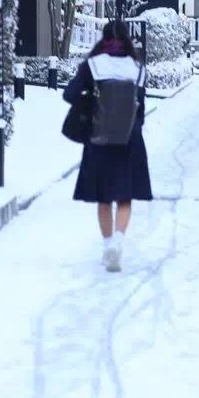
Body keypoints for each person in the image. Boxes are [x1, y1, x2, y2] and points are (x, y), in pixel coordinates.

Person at [63, 20, 153, 272]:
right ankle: (119, 241)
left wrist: (91, 98)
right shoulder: (137, 69)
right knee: (125, 196)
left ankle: (106, 247)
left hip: (99, 137)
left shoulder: (92, 66)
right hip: (130, 138)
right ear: (128, 42)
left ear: (102, 40)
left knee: (104, 198)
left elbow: (69, 95)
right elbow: (141, 109)